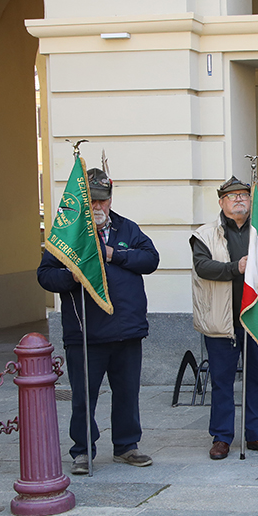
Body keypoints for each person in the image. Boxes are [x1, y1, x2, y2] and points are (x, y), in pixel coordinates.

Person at [38, 167, 159, 474]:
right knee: (83, 397)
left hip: (127, 330)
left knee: (127, 394)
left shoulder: (126, 229)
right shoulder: (67, 234)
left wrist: (113, 255)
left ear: (110, 199)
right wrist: (73, 275)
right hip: (86, 333)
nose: (97, 207)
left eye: (102, 201)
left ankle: (127, 446)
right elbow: (45, 275)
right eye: (91, 200)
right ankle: (82, 451)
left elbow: (150, 259)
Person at [190, 176, 258, 459]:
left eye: (244, 195)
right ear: (221, 202)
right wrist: (236, 267)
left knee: (257, 378)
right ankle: (222, 437)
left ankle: (256, 433)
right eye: (232, 196)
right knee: (222, 380)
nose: (240, 199)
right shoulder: (205, 234)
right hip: (223, 323)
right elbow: (203, 267)